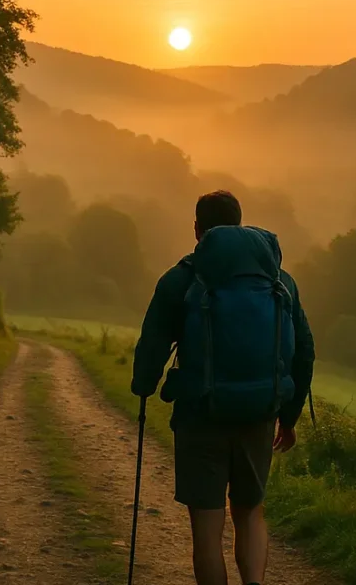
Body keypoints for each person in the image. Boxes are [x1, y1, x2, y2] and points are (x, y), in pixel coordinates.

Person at [130, 190, 315, 585]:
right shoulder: (280, 282)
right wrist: (289, 414)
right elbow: (305, 350)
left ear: (197, 229)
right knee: (250, 512)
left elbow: (153, 342)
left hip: (201, 416)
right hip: (259, 414)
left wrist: (143, 386)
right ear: (239, 222)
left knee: (207, 531)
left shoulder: (180, 278)